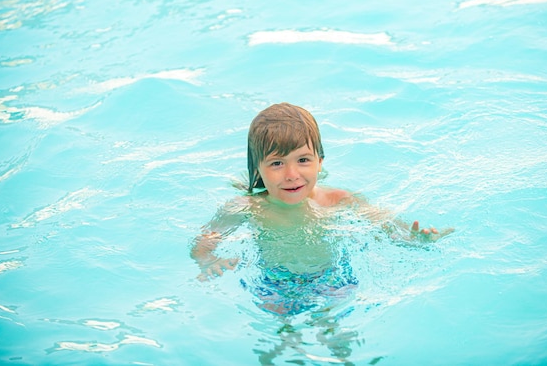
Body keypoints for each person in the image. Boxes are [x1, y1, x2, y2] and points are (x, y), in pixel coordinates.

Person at [190, 102, 453, 363]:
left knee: (335, 333)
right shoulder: (246, 208)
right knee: (283, 340)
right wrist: (209, 260)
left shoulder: (338, 199)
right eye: (277, 163)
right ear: (257, 168)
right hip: (276, 281)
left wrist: (415, 239)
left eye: (303, 160)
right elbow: (204, 241)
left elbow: (386, 227)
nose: (292, 175)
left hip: (332, 275)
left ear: (320, 162)